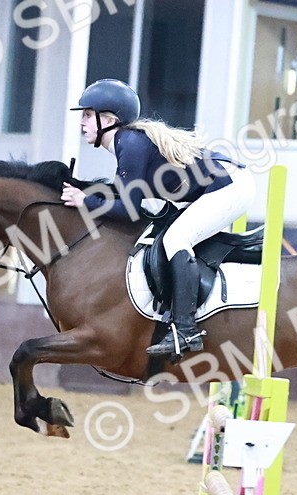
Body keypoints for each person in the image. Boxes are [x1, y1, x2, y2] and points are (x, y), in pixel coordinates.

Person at [59, 79, 255, 360]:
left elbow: (127, 210)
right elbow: (127, 199)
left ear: (109, 119)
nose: (82, 122)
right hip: (219, 186)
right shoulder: (127, 142)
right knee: (169, 236)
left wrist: (84, 201)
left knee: (177, 239)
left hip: (230, 186)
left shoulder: (129, 142)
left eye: (88, 115)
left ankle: (186, 330)